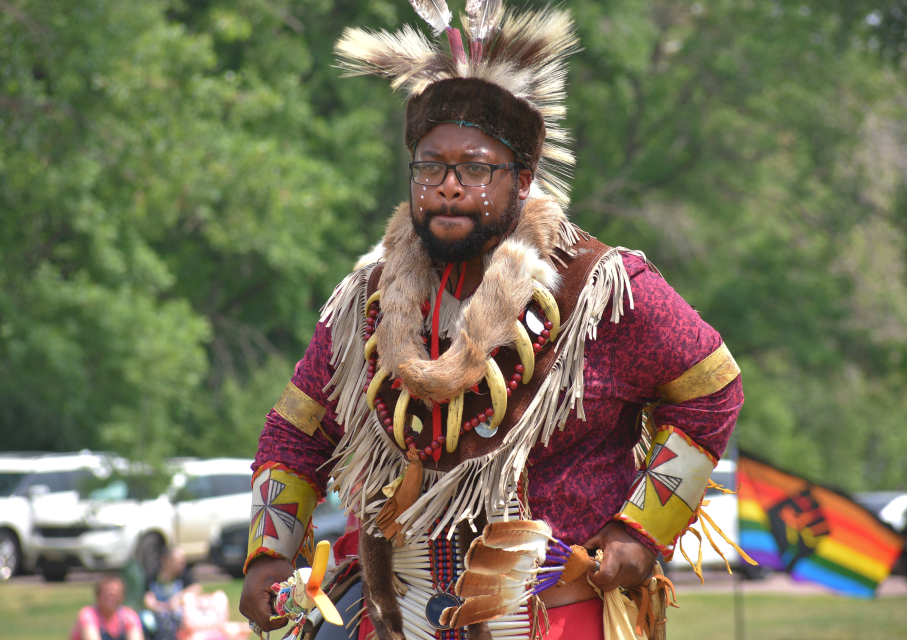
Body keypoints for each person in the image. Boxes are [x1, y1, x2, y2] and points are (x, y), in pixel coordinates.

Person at [240, 2, 744, 639]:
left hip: (554, 618)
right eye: (430, 166)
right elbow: (297, 432)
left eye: (476, 168)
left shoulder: (601, 290)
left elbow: (711, 389)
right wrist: (269, 555)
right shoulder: (364, 305)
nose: (449, 185)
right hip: (394, 616)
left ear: (524, 178)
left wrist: (643, 527)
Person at [142, 547, 201, 640]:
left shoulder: (183, 575)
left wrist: (178, 597)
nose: (183, 564)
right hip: (158, 614)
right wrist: (164, 606)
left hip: (178, 615)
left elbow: (197, 588)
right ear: (165, 560)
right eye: (179, 562)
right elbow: (148, 600)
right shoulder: (152, 577)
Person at [71, 575, 144, 640]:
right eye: (107, 594)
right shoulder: (88, 615)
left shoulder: (129, 617)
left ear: (122, 597)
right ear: (98, 595)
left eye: (116, 594)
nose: (111, 598)